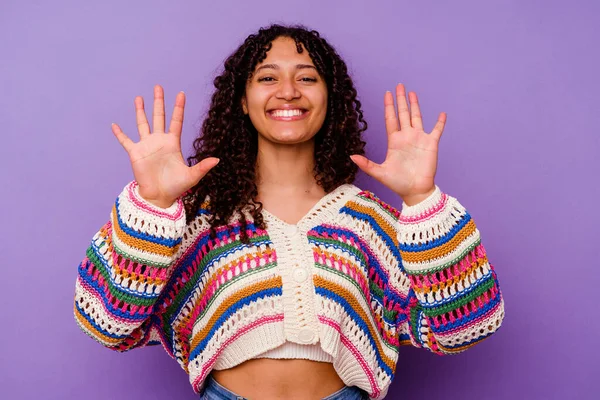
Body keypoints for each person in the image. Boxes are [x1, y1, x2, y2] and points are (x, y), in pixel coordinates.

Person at [73, 24, 505, 400]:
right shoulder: (200, 219)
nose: (288, 92)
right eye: (266, 77)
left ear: (328, 99)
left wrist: (422, 198)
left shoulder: (368, 221)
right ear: (242, 101)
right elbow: (106, 323)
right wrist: (152, 205)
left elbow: (466, 324)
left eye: (307, 78)